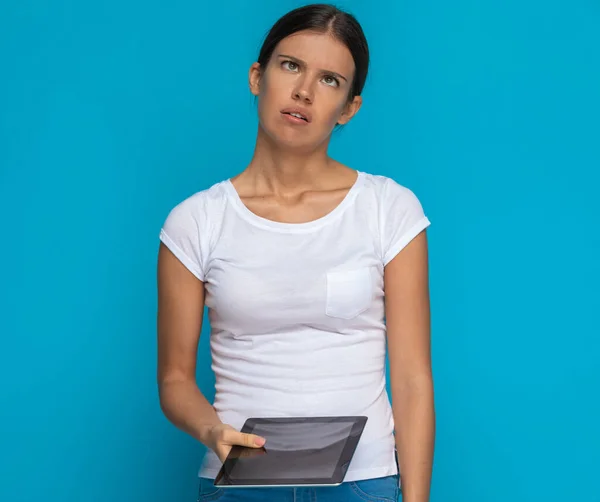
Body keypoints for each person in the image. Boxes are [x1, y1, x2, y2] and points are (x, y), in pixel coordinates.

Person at [156, 3, 435, 501]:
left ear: (349, 107)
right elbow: (175, 379)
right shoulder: (195, 221)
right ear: (257, 77)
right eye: (290, 66)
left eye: (330, 80)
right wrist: (212, 432)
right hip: (239, 483)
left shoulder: (388, 208)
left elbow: (413, 379)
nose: (304, 91)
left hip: (363, 483)